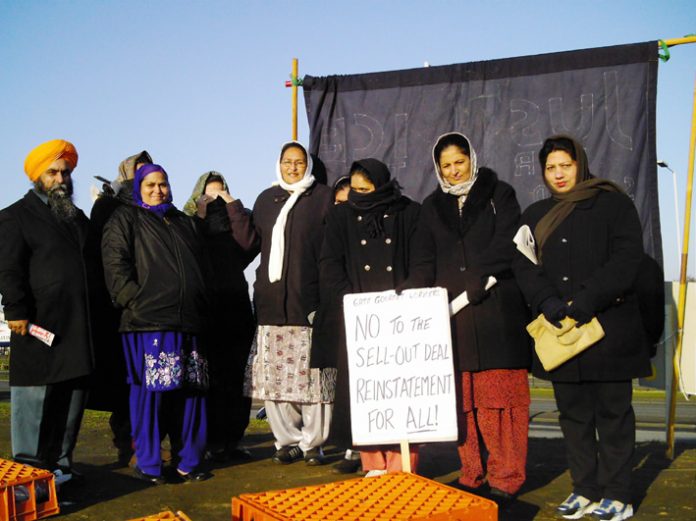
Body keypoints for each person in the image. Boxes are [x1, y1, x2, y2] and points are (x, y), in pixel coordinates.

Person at [513, 135, 651, 521]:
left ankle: (618, 494)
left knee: (613, 415)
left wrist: (587, 300)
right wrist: (547, 301)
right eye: (550, 167)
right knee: (572, 417)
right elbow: (524, 265)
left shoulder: (614, 204)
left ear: (581, 164)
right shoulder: (534, 215)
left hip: (608, 328)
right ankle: (584, 489)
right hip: (562, 334)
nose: (558, 174)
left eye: (565, 165)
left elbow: (627, 259)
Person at [403, 132, 531, 501]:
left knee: (500, 402)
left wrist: (477, 279)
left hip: (496, 315)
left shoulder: (499, 193)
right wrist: (410, 295)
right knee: (463, 404)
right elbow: (424, 258)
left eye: (459, 161)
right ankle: (472, 475)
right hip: (452, 320)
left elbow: (509, 241)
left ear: (472, 158)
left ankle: (506, 479)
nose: (454, 170)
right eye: (446, 165)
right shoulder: (430, 206)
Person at [312, 159, 420, 476]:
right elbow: (329, 264)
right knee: (366, 393)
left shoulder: (408, 212)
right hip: (360, 322)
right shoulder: (340, 216)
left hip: (401, 317)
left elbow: (422, 259)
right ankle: (372, 462)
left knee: (402, 393)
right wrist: (351, 299)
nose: (360, 195)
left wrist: (405, 295)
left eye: (367, 189)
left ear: (382, 185)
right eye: (356, 190)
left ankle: (403, 465)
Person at [102, 164, 210, 484]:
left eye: (162, 184)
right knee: (149, 396)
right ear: (139, 187)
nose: (157, 190)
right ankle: (148, 464)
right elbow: (114, 264)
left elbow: (201, 266)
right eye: (150, 184)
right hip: (146, 321)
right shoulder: (125, 219)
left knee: (193, 393)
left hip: (188, 322)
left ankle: (188, 462)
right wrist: (134, 299)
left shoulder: (183, 222)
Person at [0, 139, 93, 480]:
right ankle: (28, 474)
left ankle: (61, 468)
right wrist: (15, 310)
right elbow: (8, 269)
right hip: (36, 326)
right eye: (53, 172)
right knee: (34, 404)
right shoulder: (15, 216)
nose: (61, 179)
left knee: (69, 405)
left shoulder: (77, 219)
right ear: (37, 177)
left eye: (65, 173)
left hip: (76, 327)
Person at [237, 141, 334, 466]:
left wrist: (324, 296)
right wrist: (232, 209)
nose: (292, 168)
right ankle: (286, 441)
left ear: (307, 165)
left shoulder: (322, 198)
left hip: (308, 303)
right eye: (287, 162)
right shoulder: (266, 199)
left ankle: (312, 444)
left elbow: (329, 251)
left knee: (314, 382)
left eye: (298, 162)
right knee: (277, 382)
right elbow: (250, 243)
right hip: (271, 305)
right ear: (278, 164)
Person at [183, 171, 256, 462]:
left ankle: (233, 440)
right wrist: (201, 213)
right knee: (209, 378)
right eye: (209, 195)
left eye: (220, 194)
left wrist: (232, 205)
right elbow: (190, 246)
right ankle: (210, 441)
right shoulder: (189, 222)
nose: (215, 201)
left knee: (238, 377)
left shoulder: (237, 221)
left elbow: (248, 245)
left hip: (236, 309)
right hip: (206, 309)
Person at [86, 150, 153, 466]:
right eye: (136, 170)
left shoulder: (155, 208)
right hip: (116, 308)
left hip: (152, 307)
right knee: (123, 381)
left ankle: (146, 443)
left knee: (148, 380)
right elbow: (96, 256)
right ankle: (127, 444)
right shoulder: (108, 206)